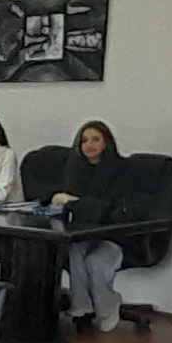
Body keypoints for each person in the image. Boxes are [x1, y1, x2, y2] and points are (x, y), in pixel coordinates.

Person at [53, 118, 130, 332]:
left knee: (95, 261)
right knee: (75, 252)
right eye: (84, 140)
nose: (89, 145)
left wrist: (74, 201)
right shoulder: (75, 169)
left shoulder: (121, 170)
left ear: (106, 142)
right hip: (83, 234)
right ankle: (81, 307)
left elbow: (107, 209)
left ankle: (109, 307)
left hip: (115, 235)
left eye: (96, 139)